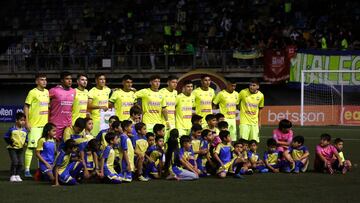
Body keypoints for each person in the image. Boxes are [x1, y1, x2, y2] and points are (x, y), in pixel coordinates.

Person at [23, 73, 49, 177]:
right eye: (42, 80)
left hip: (45, 126)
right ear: (37, 81)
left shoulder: (47, 92)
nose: (44, 82)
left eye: (45, 80)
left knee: (42, 149)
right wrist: (27, 121)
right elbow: (26, 106)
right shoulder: (32, 92)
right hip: (34, 126)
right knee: (30, 148)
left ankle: (40, 170)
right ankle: (27, 170)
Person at [49, 71, 76, 141]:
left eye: (71, 79)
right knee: (54, 145)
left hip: (68, 124)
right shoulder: (53, 91)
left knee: (67, 146)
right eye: (67, 79)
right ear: (62, 80)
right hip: (56, 124)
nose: (70, 81)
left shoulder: (73, 91)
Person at [238, 78, 264, 142]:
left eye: (254, 85)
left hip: (254, 123)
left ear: (258, 86)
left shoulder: (261, 95)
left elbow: (260, 109)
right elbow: (236, 103)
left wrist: (259, 121)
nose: (251, 87)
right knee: (243, 142)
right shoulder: (243, 92)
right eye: (250, 85)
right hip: (244, 122)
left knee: (254, 142)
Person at [4, 112, 28, 182]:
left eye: (24, 120)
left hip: (20, 149)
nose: (23, 122)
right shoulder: (12, 129)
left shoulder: (25, 131)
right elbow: (6, 137)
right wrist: (11, 143)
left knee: (20, 163)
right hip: (12, 148)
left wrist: (26, 143)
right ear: (16, 120)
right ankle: (12, 175)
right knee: (15, 162)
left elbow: (26, 139)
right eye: (21, 120)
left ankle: (17, 175)